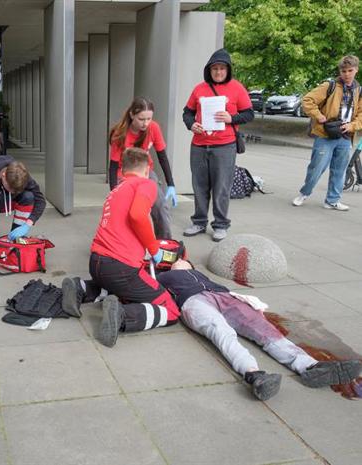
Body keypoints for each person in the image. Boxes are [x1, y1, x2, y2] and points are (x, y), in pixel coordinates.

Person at [157, 259, 362, 400]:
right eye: (177, 261)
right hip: (192, 301)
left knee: (264, 330)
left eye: (184, 261)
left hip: (225, 296)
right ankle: (254, 375)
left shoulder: (197, 273)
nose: (180, 261)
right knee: (221, 332)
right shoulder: (162, 277)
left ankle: (310, 366)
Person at [61, 148, 180, 348]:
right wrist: (154, 249)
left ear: (122, 171)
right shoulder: (146, 184)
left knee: (116, 287)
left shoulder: (117, 190)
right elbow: (137, 215)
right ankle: (122, 315)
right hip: (121, 268)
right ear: (147, 169)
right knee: (170, 309)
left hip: (97, 263)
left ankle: (80, 288)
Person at [182, 48, 254, 242]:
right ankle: (199, 222)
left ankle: (221, 225)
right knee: (199, 186)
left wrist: (232, 118)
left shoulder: (237, 88)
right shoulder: (199, 89)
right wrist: (191, 124)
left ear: (228, 70)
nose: (218, 72)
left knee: (221, 187)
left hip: (224, 146)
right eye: (215, 68)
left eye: (222, 68)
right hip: (199, 145)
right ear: (209, 70)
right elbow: (187, 112)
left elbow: (249, 114)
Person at [293, 55, 362, 211]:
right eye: (343, 71)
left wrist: (352, 126)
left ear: (356, 70)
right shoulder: (329, 85)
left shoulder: (359, 90)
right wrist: (318, 116)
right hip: (326, 134)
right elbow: (308, 100)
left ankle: (332, 200)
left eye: (350, 70)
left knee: (340, 171)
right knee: (316, 168)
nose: (347, 74)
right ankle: (304, 193)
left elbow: (361, 114)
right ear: (340, 71)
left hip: (345, 136)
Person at [109, 97, 178, 238]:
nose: (145, 123)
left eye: (149, 119)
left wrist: (171, 184)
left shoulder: (154, 128)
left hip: (146, 172)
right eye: (141, 119)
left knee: (160, 205)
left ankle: (165, 243)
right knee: (127, 209)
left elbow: (162, 156)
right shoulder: (120, 133)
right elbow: (113, 166)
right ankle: (125, 242)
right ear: (132, 115)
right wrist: (113, 192)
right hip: (124, 173)